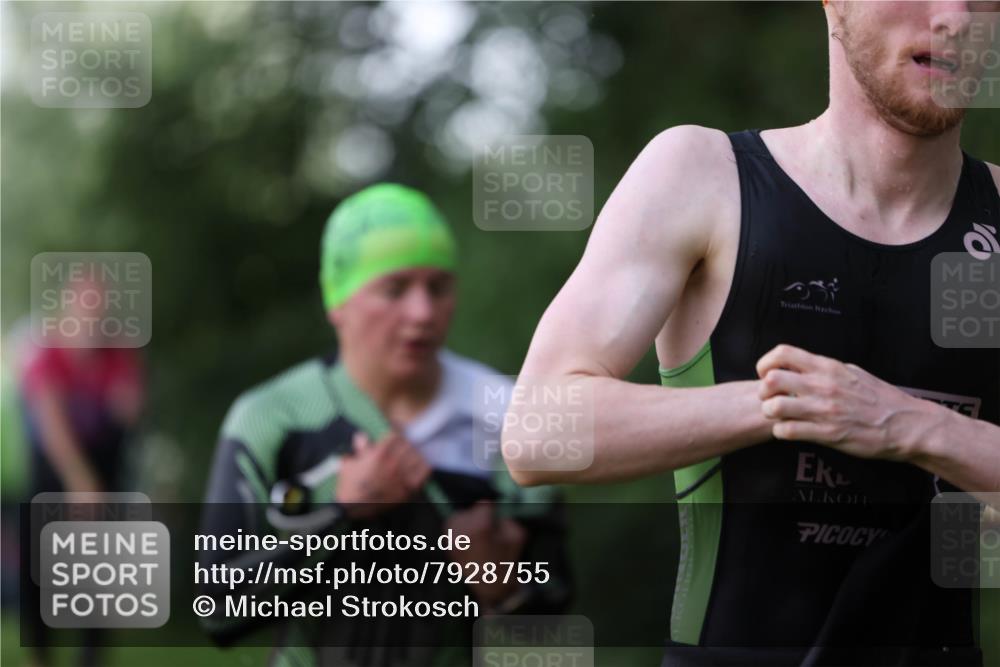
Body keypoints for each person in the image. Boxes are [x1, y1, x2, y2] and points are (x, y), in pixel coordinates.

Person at [501, 2, 1000, 666]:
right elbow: (536, 430)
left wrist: (915, 425)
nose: (954, 17)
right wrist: (787, 403)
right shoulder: (706, 176)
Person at [200, 183, 571, 667]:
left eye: (438, 287)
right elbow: (218, 610)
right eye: (394, 289)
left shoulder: (510, 413)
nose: (422, 313)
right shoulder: (272, 416)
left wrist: (504, 587)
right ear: (339, 302)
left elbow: (556, 606)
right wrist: (339, 515)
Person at [18, 284, 145, 667]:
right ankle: (39, 653)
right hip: (53, 463)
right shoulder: (48, 355)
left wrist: (128, 397)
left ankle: (91, 654)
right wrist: (80, 481)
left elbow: (130, 413)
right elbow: (51, 425)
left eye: (99, 313)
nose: (92, 322)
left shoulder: (118, 355)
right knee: (38, 557)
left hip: (104, 461)